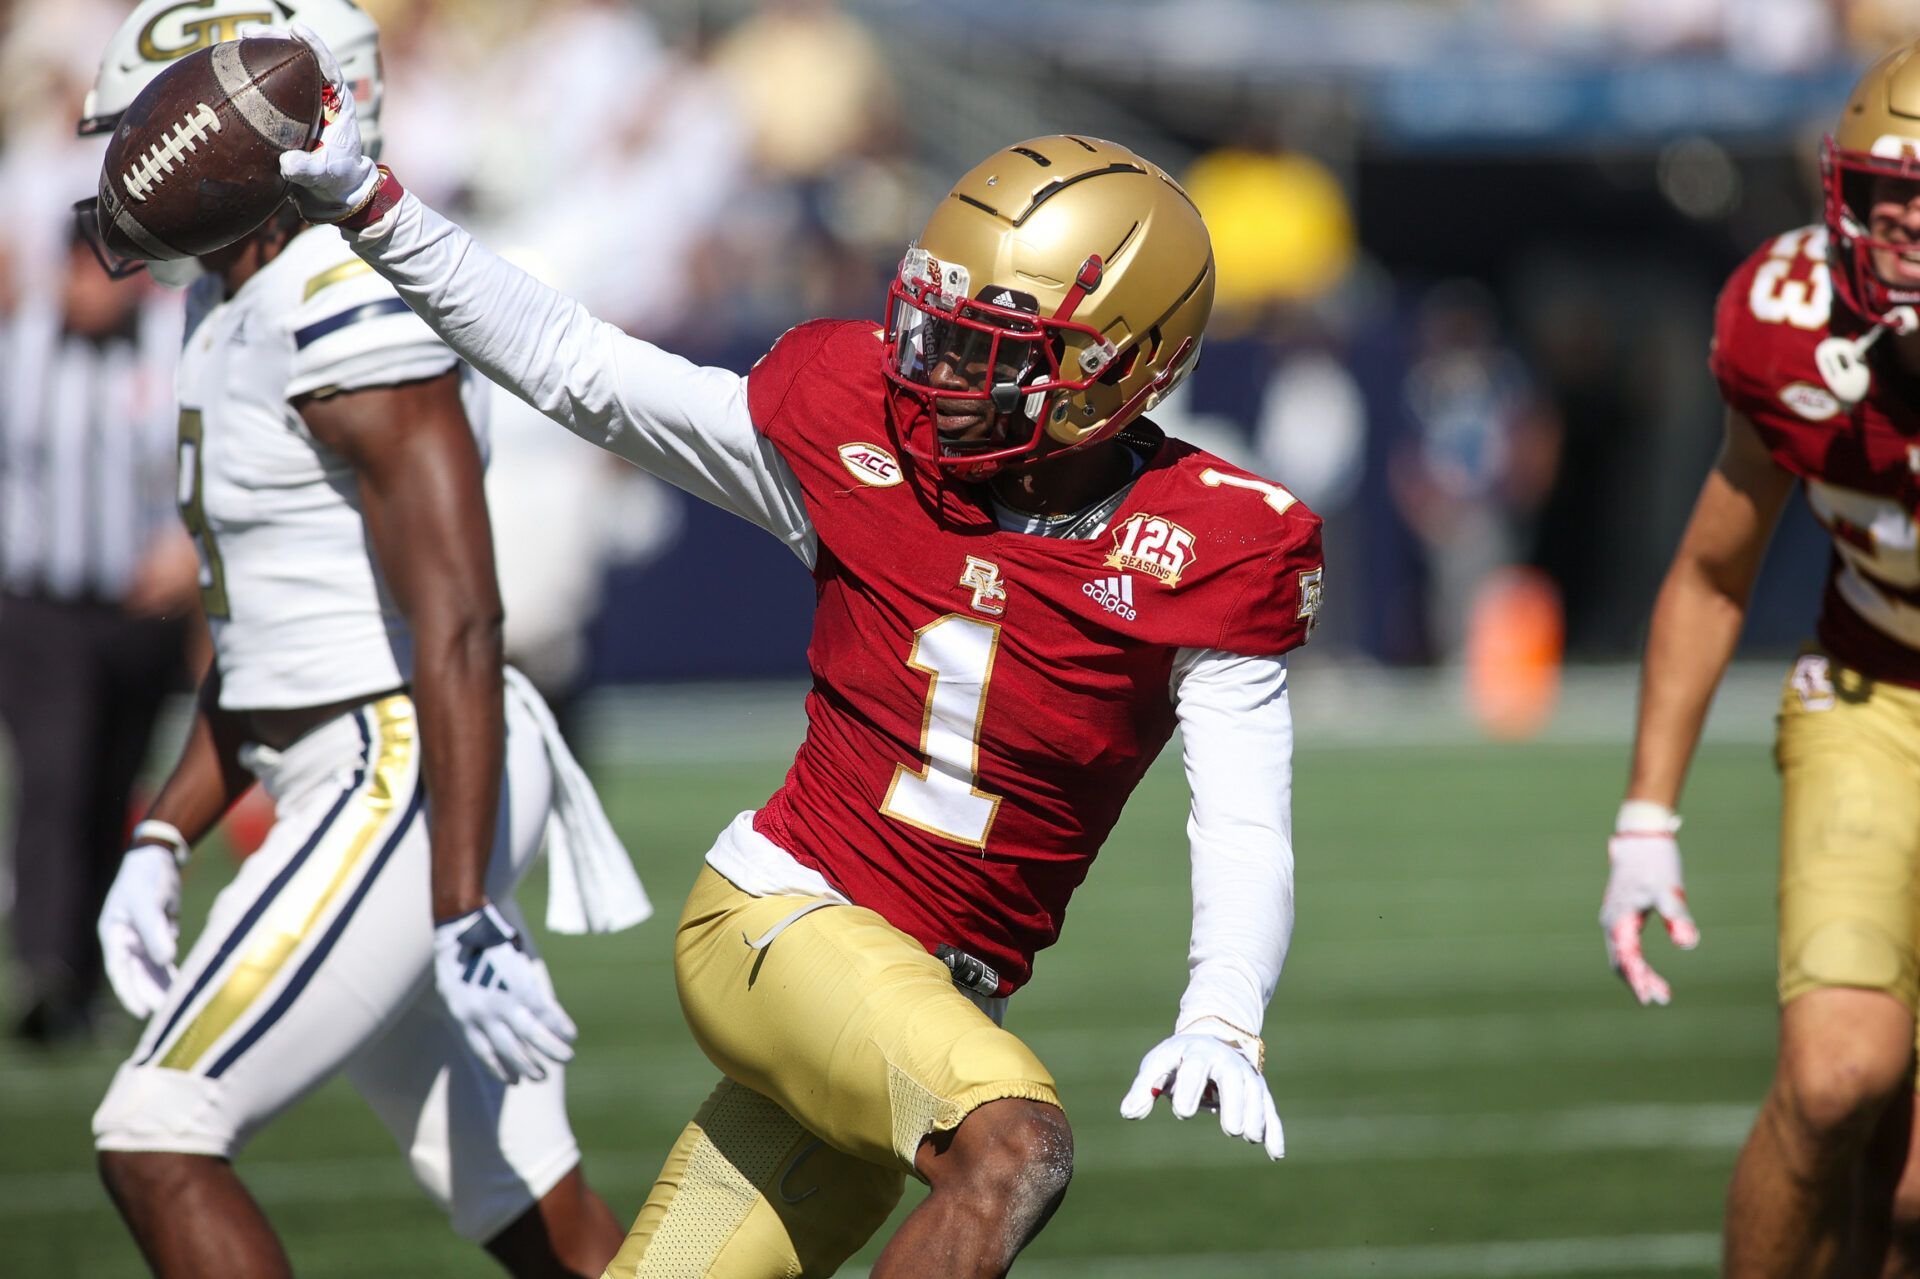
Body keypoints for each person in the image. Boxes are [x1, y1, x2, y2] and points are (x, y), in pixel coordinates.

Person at [277, 28, 1318, 1277]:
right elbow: (580, 367)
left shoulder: (1213, 544)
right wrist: (376, 209)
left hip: (922, 1005)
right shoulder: (857, 437)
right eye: (937, 333)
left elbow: (1244, 817)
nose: (933, 378)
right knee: (1012, 1147)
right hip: (782, 919)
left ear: (1114, 371)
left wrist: (1224, 1010)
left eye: (989, 354)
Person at [78, 4, 648, 1276]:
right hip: (342, 754)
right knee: (524, 1204)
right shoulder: (237, 297)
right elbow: (270, 630)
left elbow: (458, 613)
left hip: (404, 766)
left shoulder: (342, 293)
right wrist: (166, 829)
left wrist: (463, 907)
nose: (121, 172)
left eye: (146, 139)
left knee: (156, 1130)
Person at [1600, 37, 1920, 1278]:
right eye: (1886, 205)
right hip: (1872, 692)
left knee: (1905, 1204)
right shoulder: (1789, 325)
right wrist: (1645, 815)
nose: (1896, 240)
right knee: (1840, 1077)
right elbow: (1713, 573)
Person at [0, 221, 194, 1045]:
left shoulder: (172, 350)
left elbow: (208, 460)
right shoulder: (20, 350)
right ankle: (45, 959)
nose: (95, 288)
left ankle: (85, 968)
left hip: (137, 611)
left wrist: (188, 544)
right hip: (40, 606)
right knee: (57, 771)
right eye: (83, 270)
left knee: (116, 781)